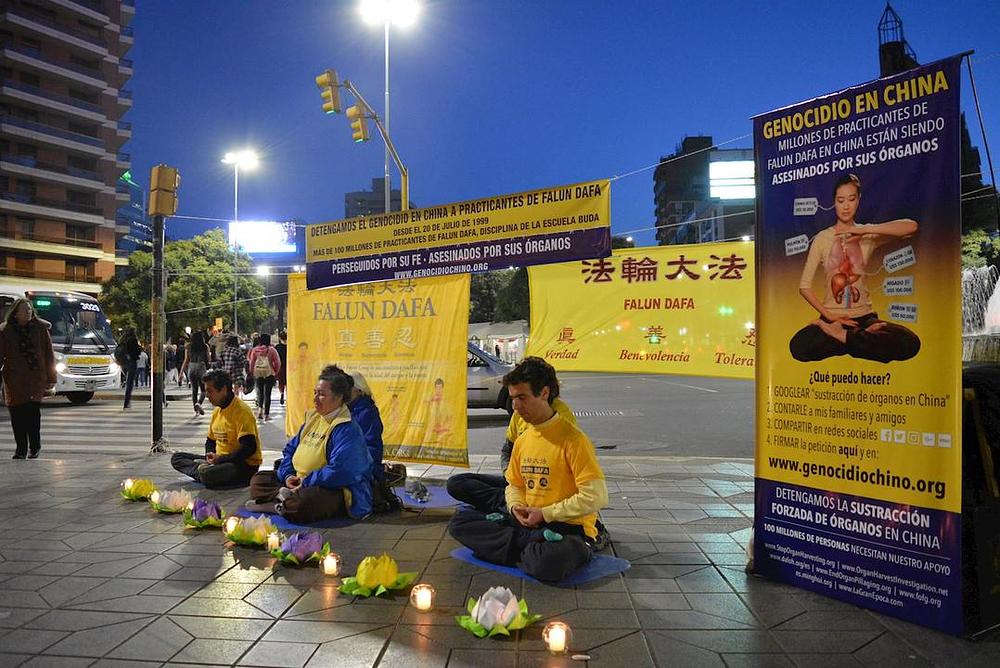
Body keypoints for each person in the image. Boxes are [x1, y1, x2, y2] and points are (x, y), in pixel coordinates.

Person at [448, 357, 609, 582]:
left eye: (522, 397)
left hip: (566, 528)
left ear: (544, 393)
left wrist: (545, 513)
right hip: (529, 523)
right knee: (459, 524)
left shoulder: (573, 440)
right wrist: (515, 507)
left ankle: (521, 545)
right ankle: (529, 544)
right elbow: (514, 484)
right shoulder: (523, 440)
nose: (515, 406)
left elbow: (596, 497)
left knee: (550, 562)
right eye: (513, 398)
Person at [789, 173, 921, 363]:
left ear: (859, 200)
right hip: (831, 318)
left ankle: (843, 338)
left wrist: (865, 229)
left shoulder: (867, 236)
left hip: (865, 318)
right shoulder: (822, 239)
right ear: (834, 202)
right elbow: (804, 286)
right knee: (798, 347)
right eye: (840, 200)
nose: (845, 205)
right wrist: (828, 317)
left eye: (851, 199)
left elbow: (911, 227)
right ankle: (861, 341)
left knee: (910, 342)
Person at [246, 366, 373, 523]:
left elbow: (341, 471)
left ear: (339, 397)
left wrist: (306, 482)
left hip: (329, 487)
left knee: (303, 503)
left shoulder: (346, 428)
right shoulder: (313, 418)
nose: (315, 398)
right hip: (298, 481)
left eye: (321, 395)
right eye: (315, 392)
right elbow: (291, 449)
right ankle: (283, 497)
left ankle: (280, 504)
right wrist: (288, 475)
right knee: (258, 480)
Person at [171, 369, 262, 488]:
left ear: (223, 390)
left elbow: (248, 448)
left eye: (210, 391)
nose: (207, 395)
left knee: (207, 474)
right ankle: (204, 470)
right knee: (177, 458)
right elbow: (210, 440)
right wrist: (210, 455)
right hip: (219, 460)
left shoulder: (242, 411)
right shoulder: (217, 411)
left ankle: (204, 472)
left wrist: (221, 459)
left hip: (241, 464)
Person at [0, 298, 56, 459]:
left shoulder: (40, 329)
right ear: (16, 314)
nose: (28, 312)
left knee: (32, 414)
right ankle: (20, 449)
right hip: (14, 379)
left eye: (30, 310)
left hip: (35, 378)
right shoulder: (6, 331)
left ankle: (35, 447)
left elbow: (48, 355)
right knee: (17, 415)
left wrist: (51, 378)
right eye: (24, 310)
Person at [248, 333, 281, 421]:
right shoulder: (272, 350)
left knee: (260, 392)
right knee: (268, 394)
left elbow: (251, 362)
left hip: (258, 373)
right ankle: (266, 415)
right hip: (269, 374)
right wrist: (275, 372)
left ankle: (260, 411)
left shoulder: (255, 350)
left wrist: (252, 372)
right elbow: (277, 362)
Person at [180, 331, 210, 416]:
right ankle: (199, 403)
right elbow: (208, 359)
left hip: (191, 366)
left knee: (194, 390)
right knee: (203, 390)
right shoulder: (205, 346)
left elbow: (186, 360)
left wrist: (181, 373)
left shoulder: (188, 346)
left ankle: (196, 410)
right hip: (201, 366)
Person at [119, 327, 141, 409]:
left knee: (127, 381)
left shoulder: (123, 340)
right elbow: (137, 351)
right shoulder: (133, 340)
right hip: (132, 362)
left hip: (124, 363)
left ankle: (127, 402)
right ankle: (127, 402)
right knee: (130, 383)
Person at [275, 331, 288, 406]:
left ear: (280, 338)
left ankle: (282, 393)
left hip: (281, 367)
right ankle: (288, 396)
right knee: (288, 382)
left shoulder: (277, 347)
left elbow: (276, 359)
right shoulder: (290, 346)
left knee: (281, 383)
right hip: (289, 367)